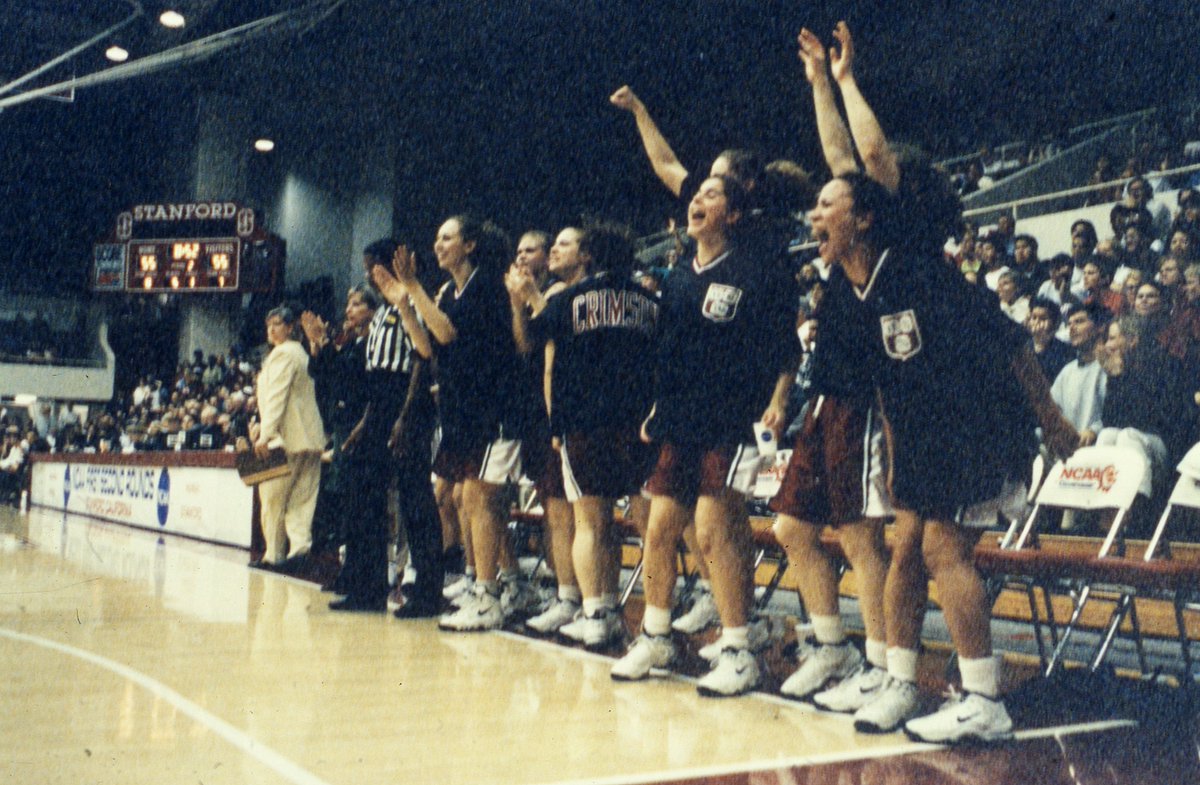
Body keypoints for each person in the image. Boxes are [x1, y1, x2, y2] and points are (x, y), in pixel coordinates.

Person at [610, 175, 796, 696]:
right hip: (680, 419)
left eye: (712, 194)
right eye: (697, 194)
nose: (697, 199)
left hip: (733, 420)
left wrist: (779, 401)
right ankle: (657, 635)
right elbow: (667, 353)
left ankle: (739, 649)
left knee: (714, 531)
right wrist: (657, 407)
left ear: (733, 215)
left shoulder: (753, 272)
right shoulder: (677, 277)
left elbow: (785, 349)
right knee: (658, 530)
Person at [383, 216, 524, 631]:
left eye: (447, 237)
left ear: (470, 245)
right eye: (437, 237)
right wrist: (405, 307)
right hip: (465, 414)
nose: (438, 244)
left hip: (494, 410)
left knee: (480, 501)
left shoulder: (486, 286)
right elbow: (427, 346)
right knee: (470, 501)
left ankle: (489, 594)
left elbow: (446, 333)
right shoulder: (452, 291)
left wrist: (413, 286)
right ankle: (489, 585)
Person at [528, 222, 659, 647]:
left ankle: (597, 614)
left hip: (584, 423)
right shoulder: (650, 300)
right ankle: (654, 618)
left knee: (591, 524)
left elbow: (535, 343)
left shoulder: (568, 300)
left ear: (590, 255)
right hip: (637, 425)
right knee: (647, 528)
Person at [252, 306, 327, 571]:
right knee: (302, 499)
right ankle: (299, 551)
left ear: (290, 327)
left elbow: (277, 397)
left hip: (285, 439)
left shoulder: (283, 354)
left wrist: (265, 434)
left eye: (277, 324)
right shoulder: (302, 353)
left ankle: (274, 554)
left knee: (273, 499)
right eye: (268, 325)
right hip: (310, 438)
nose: (271, 329)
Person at [1026, 297, 1073, 383]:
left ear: (1054, 323)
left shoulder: (1064, 351)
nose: (1037, 322)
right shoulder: (1024, 347)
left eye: (1043, 319)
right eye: (1034, 317)